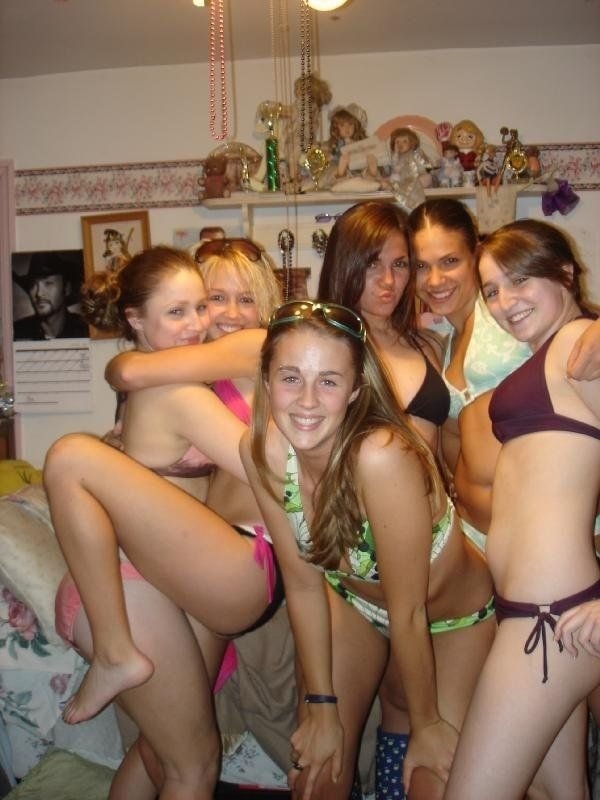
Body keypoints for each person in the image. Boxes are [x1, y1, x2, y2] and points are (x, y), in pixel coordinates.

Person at [44, 240, 283, 800]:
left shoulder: (204, 370)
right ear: (136, 318)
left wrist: (128, 365)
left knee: (160, 753)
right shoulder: (178, 389)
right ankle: (113, 651)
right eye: (203, 302)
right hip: (137, 588)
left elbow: (128, 368)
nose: (208, 319)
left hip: (163, 581)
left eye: (209, 304)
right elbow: (272, 471)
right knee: (190, 766)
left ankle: (114, 652)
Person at [240, 300, 495, 800]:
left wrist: (427, 725)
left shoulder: (381, 456)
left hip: (450, 621)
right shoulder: (261, 452)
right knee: (315, 774)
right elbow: (303, 586)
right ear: (266, 380)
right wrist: (321, 707)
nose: (307, 400)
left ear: (356, 389)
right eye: (290, 377)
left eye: (328, 381)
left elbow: (409, 611)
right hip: (355, 606)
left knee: (434, 783)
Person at [444, 219, 600, 800]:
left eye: (519, 280)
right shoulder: (552, 352)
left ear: (564, 272)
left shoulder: (582, 346)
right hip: (532, 614)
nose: (505, 302)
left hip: (553, 619)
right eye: (491, 290)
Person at [407, 197, 600, 551]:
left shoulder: (509, 311)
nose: (434, 280)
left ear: (475, 254)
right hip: (484, 538)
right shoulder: (448, 339)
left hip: (555, 537)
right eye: (421, 266)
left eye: (449, 261)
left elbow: (573, 328)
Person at [317, 199, 449, 453]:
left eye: (399, 264)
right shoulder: (319, 347)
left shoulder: (425, 344)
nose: (388, 280)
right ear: (345, 265)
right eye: (372, 263)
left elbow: (439, 448)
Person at [13, 250, 88, 340]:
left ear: (67, 288)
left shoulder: (85, 330)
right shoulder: (17, 333)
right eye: (33, 285)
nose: (39, 293)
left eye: (48, 283)